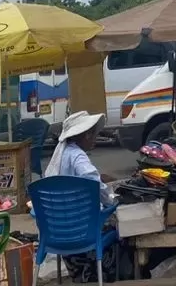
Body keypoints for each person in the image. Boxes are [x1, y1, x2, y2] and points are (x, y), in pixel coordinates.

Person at [45, 111, 119, 283]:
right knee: (119, 229)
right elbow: (93, 181)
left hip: (56, 233)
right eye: (93, 135)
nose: (94, 139)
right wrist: (112, 202)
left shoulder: (61, 155)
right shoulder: (77, 155)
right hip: (81, 232)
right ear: (85, 135)